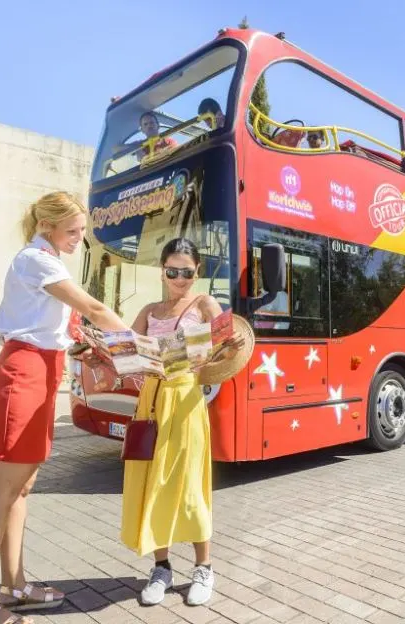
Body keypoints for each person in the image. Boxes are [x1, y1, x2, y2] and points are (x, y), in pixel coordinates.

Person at [0, 191, 128, 624]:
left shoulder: (47, 262)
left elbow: (53, 329)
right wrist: (142, 346)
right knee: (1, 493)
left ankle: (13, 585)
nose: (79, 239)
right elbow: (92, 308)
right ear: (46, 226)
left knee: (22, 489)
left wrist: (84, 350)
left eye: (82, 232)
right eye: (72, 231)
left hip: (42, 372)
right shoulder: (36, 259)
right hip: (22, 374)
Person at [121, 238, 244, 607]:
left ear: (197, 272)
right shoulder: (147, 310)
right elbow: (127, 351)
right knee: (154, 483)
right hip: (152, 400)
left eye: (186, 272)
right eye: (172, 271)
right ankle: (161, 568)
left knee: (190, 484)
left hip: (187, 400)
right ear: (162, 271)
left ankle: (204, 567)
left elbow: (223, 352)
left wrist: (230, 346)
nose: (179, 278)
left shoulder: (205, 304)